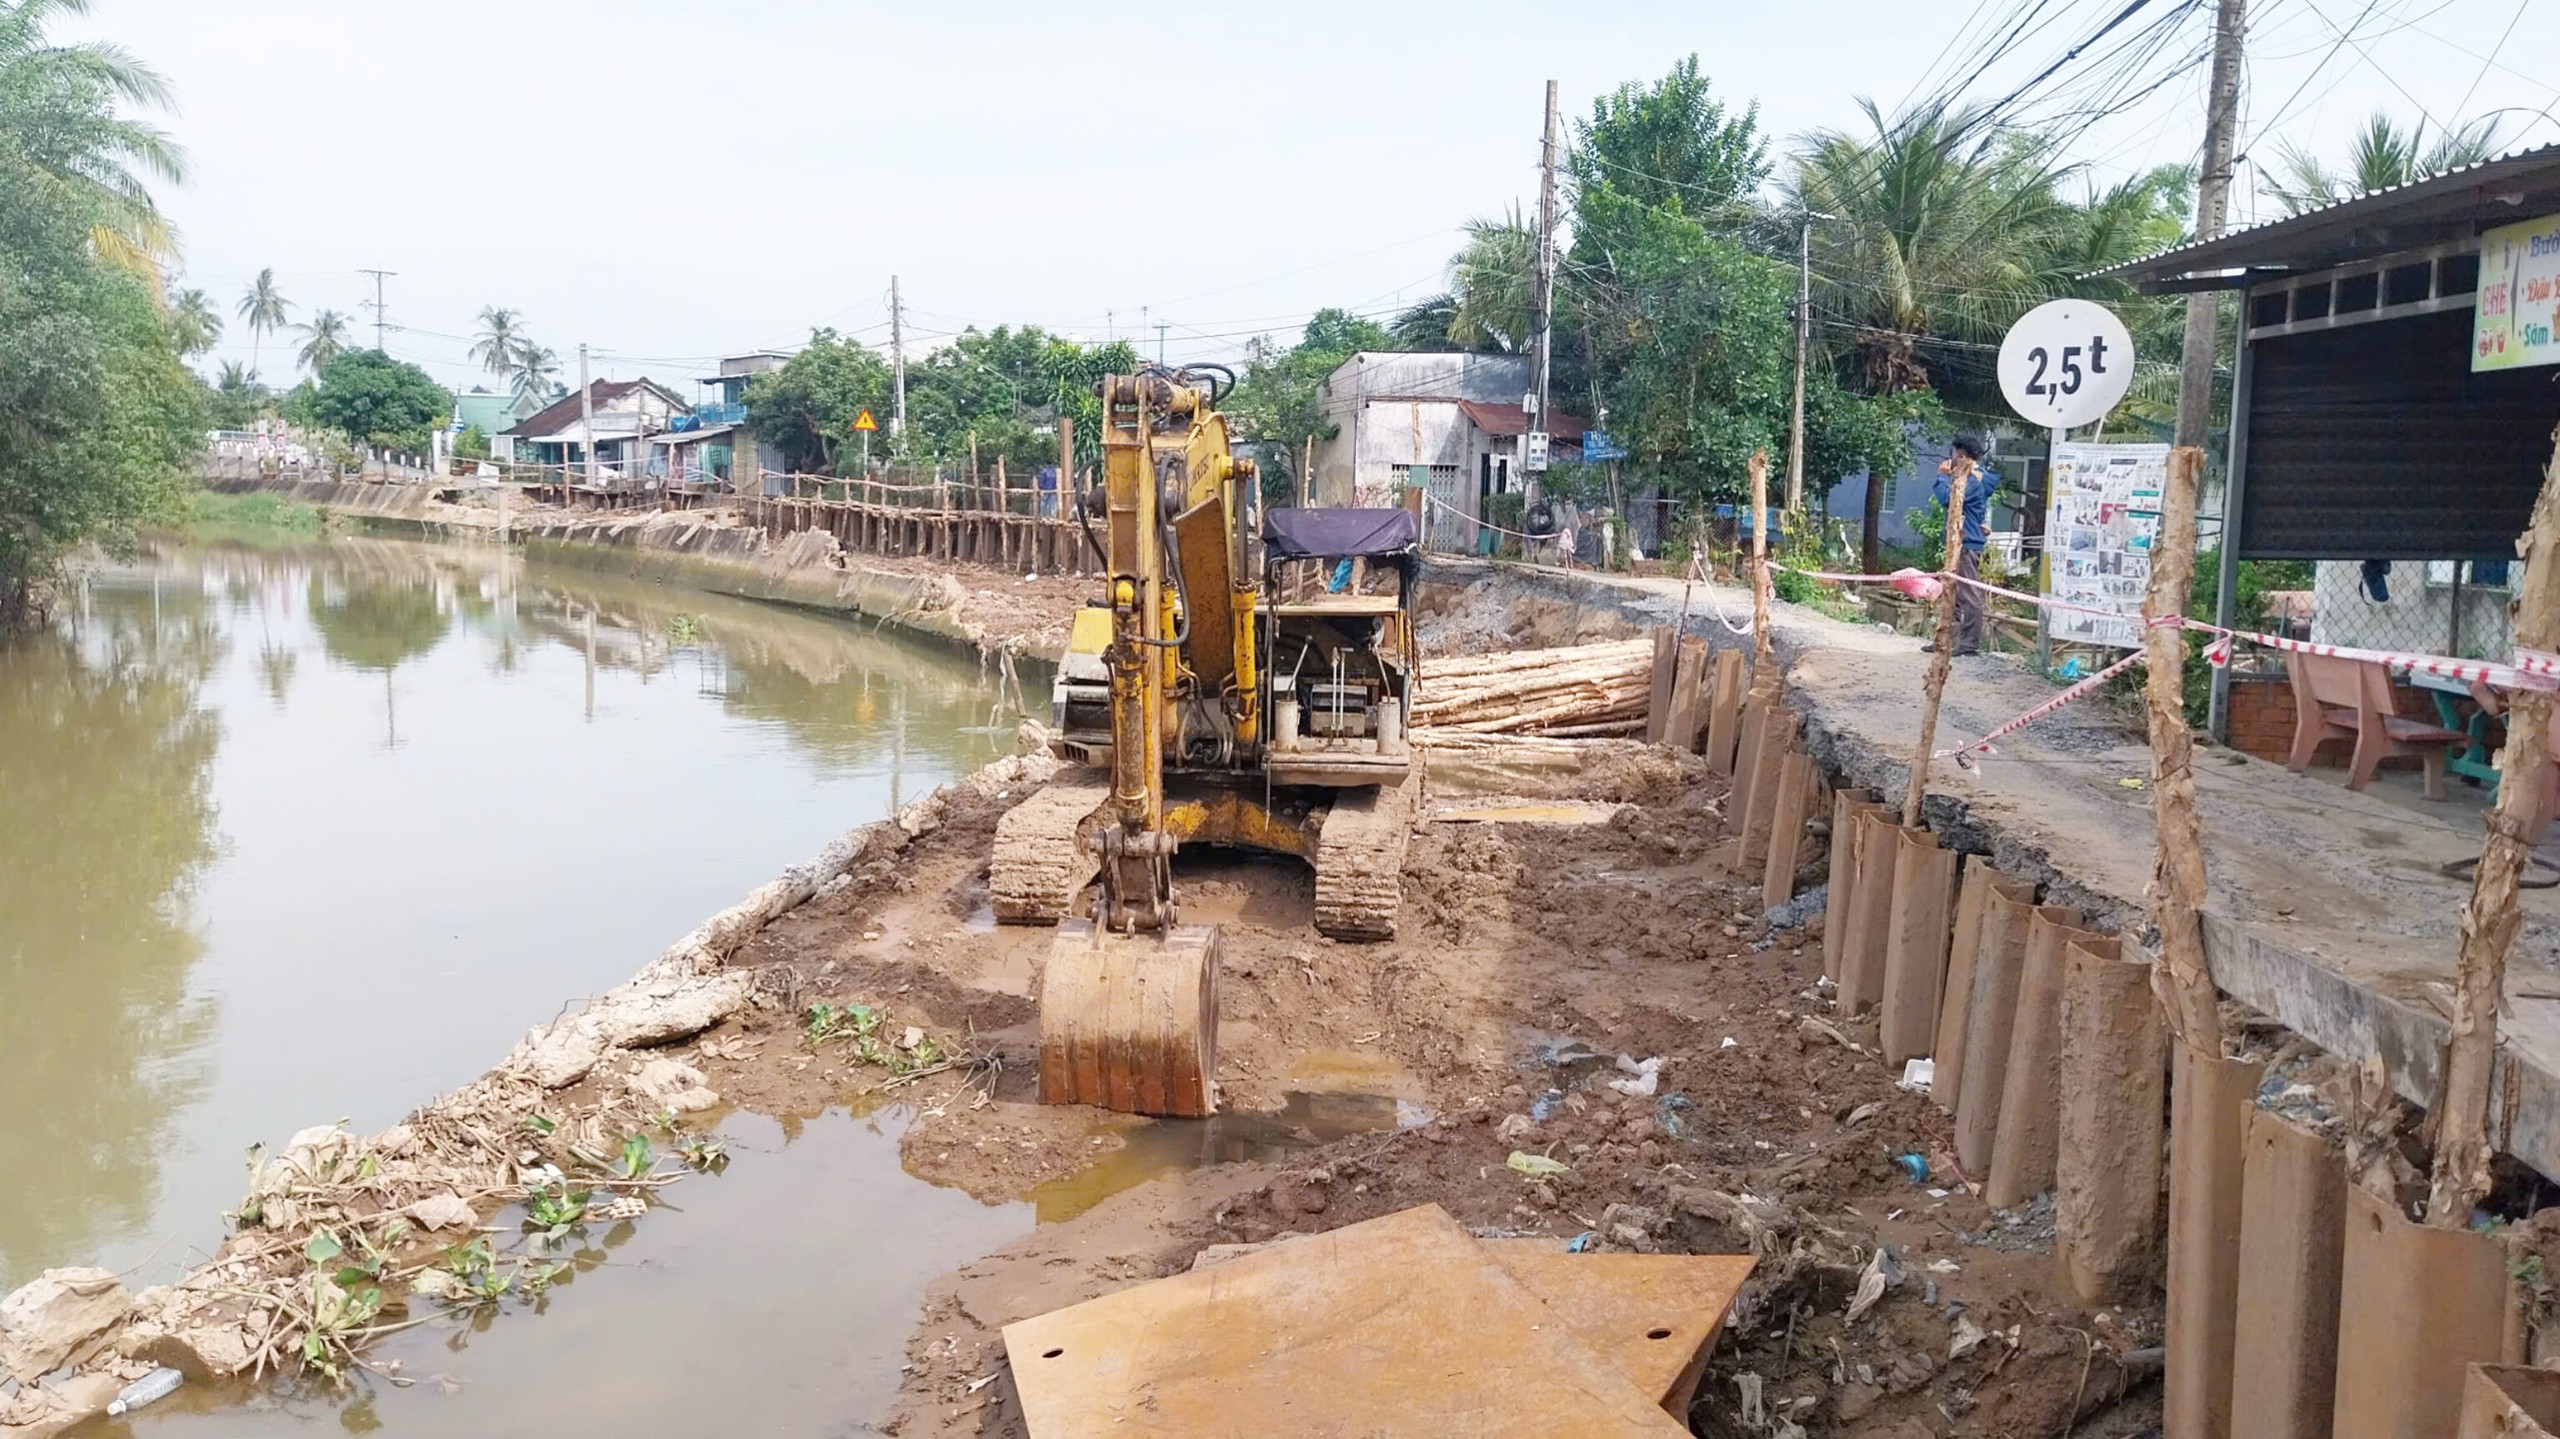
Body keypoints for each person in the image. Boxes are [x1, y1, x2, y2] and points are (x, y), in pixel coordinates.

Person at [1932, 434, 1994, 656]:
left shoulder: (1973, 479)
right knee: (1952, 592)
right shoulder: (1971, 477)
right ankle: (1946, 638)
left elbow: (1947, 499)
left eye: (1954, 454)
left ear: (1961, 455)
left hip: (1967, 544)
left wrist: (1941, 478)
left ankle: (1969, 644)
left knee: (1969, 594)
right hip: (1958, 541)